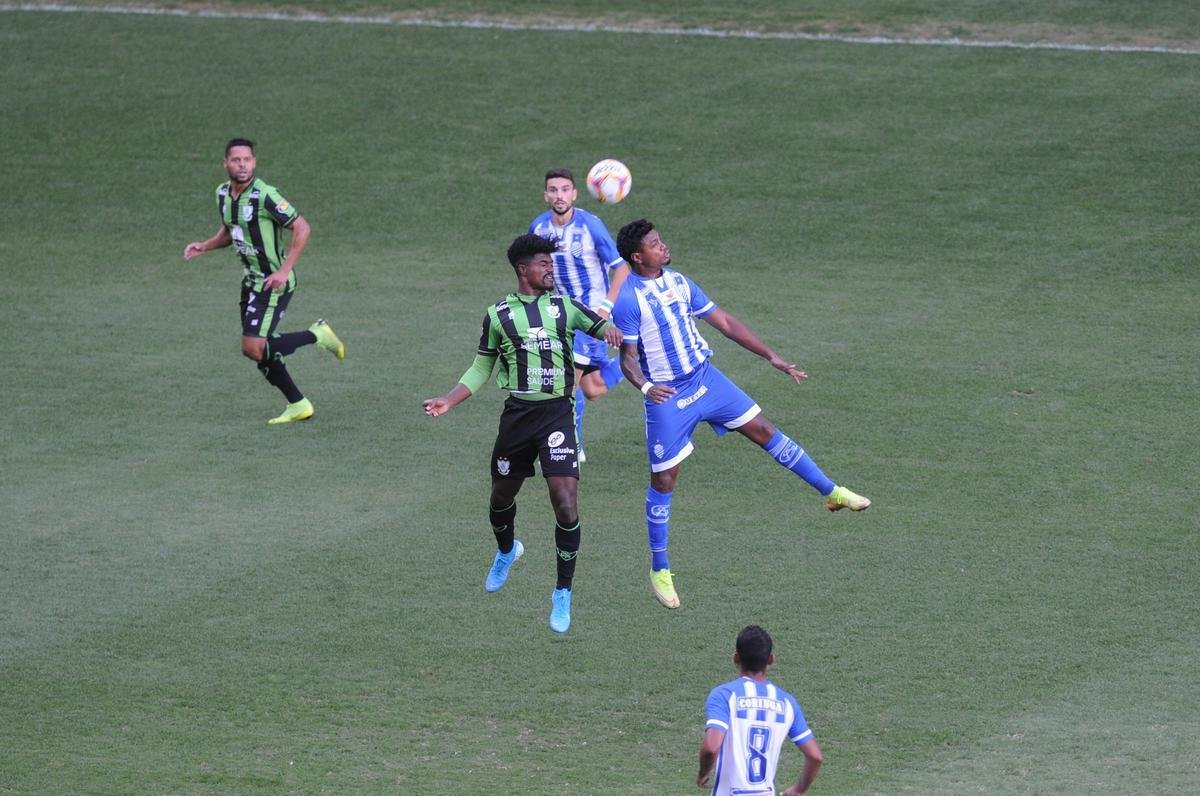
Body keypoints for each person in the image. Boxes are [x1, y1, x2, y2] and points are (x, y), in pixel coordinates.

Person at [611, 219, 871, 609]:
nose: (663, 247)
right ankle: (660, 568)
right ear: (637, 256)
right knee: (664, 479)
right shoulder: (629, 300)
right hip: (668, 396)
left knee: (765, 430)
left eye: (660, 240)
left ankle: (833, 492)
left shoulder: (680, 282)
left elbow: (726, 322)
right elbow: (627, 359)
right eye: (654, 244)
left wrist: (771, 356)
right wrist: (648, 388)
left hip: (706, 378)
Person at [423, 233, 623, 634]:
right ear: (523, 269)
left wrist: (613, 333)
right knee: (500, 497)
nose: (550, 269)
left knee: (565, 504)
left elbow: (603, 327)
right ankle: (507, 550)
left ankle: (562, 593)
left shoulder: (567, 307)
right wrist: (450, 399)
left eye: (552, 263)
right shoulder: (499, 314)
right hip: (517, 416)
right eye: (543, 264)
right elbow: (482, 367)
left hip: (557, 415)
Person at [183, 138, 344, 424]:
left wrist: (283, 271)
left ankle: (317, 335)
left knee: (253, 347)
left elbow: (302, 227)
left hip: (273, 283)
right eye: (236, 160)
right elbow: (231, 231)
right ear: (225, 164)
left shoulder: (265, 195)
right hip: (250, 283)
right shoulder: (222, 194)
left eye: (247, 159)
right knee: (259, 349)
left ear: (254, 163)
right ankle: (298, 404)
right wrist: (204, 246)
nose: (242, 165)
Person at [529, 168, 629, 460]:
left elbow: (621, 268)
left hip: (590, 316)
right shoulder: (538, 228)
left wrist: (605, 308)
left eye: (564, 190)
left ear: (574, 194)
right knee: (593, 388)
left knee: (566, 382)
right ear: (546, 195)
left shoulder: (590, 226)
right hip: (560, 315)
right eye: (553, 190)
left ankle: (572, 448)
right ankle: (635, 358)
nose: (559, 196)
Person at [698, 625, 823, 796]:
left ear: (735, 658)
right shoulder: (787, 703)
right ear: (771, 659)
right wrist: (799, 790)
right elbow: (815, 757)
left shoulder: (725, 695)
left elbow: (711, 748)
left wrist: (703, 772)